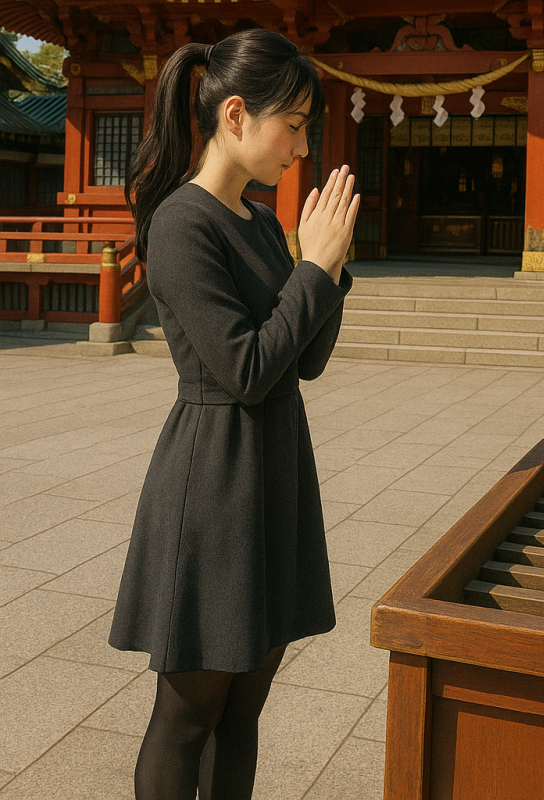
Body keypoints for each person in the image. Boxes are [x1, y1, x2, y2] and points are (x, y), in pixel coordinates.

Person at [107, 28, 359, 800]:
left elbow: (303, 361)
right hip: (212, 483)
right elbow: (247, 370)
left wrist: (330, 270)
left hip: (276, 471)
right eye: (296, 125)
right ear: (238, 115)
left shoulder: (256, 219)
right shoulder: (182, 224)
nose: (302, 146)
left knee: (247, 703)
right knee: (190, 711)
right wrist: (312, 268)